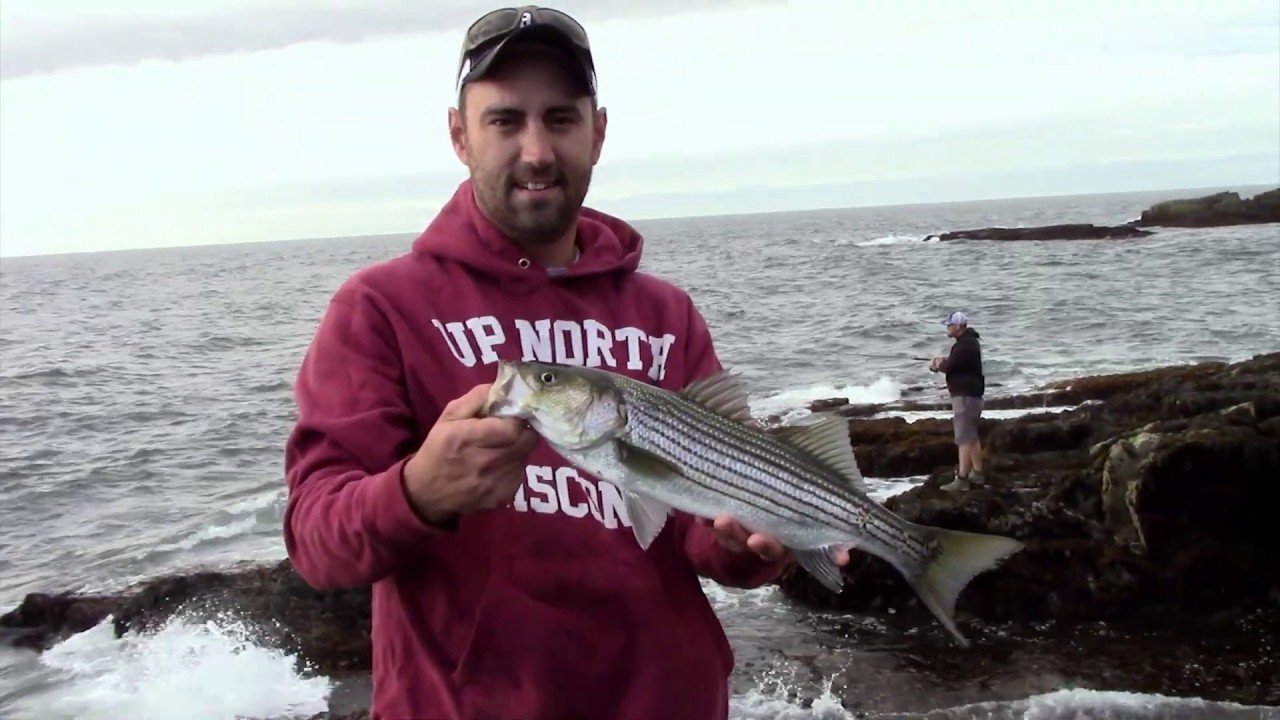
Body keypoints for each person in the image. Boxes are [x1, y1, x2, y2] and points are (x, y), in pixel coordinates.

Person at [281, 6, 827, 719]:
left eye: (561, 119)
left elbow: (696, 524)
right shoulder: (379, 308)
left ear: (598, 133)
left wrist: (751, 547)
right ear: (459, 135)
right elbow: (316, 541)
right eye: (505, 121)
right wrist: (418, 489)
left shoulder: (667, 314)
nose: (536, 151)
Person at [929, 310, 986, 491]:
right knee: (972, 436)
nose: (948, 327)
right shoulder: (969, 344)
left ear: (958, 326)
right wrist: (941, 364)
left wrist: (939, 364)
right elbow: (957, 364)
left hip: (965, 397)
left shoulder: (965, 345)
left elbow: (952, 365)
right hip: (972, 396)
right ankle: (977, 474)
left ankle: (962, 479)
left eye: (949, 324)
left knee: (963, 438)